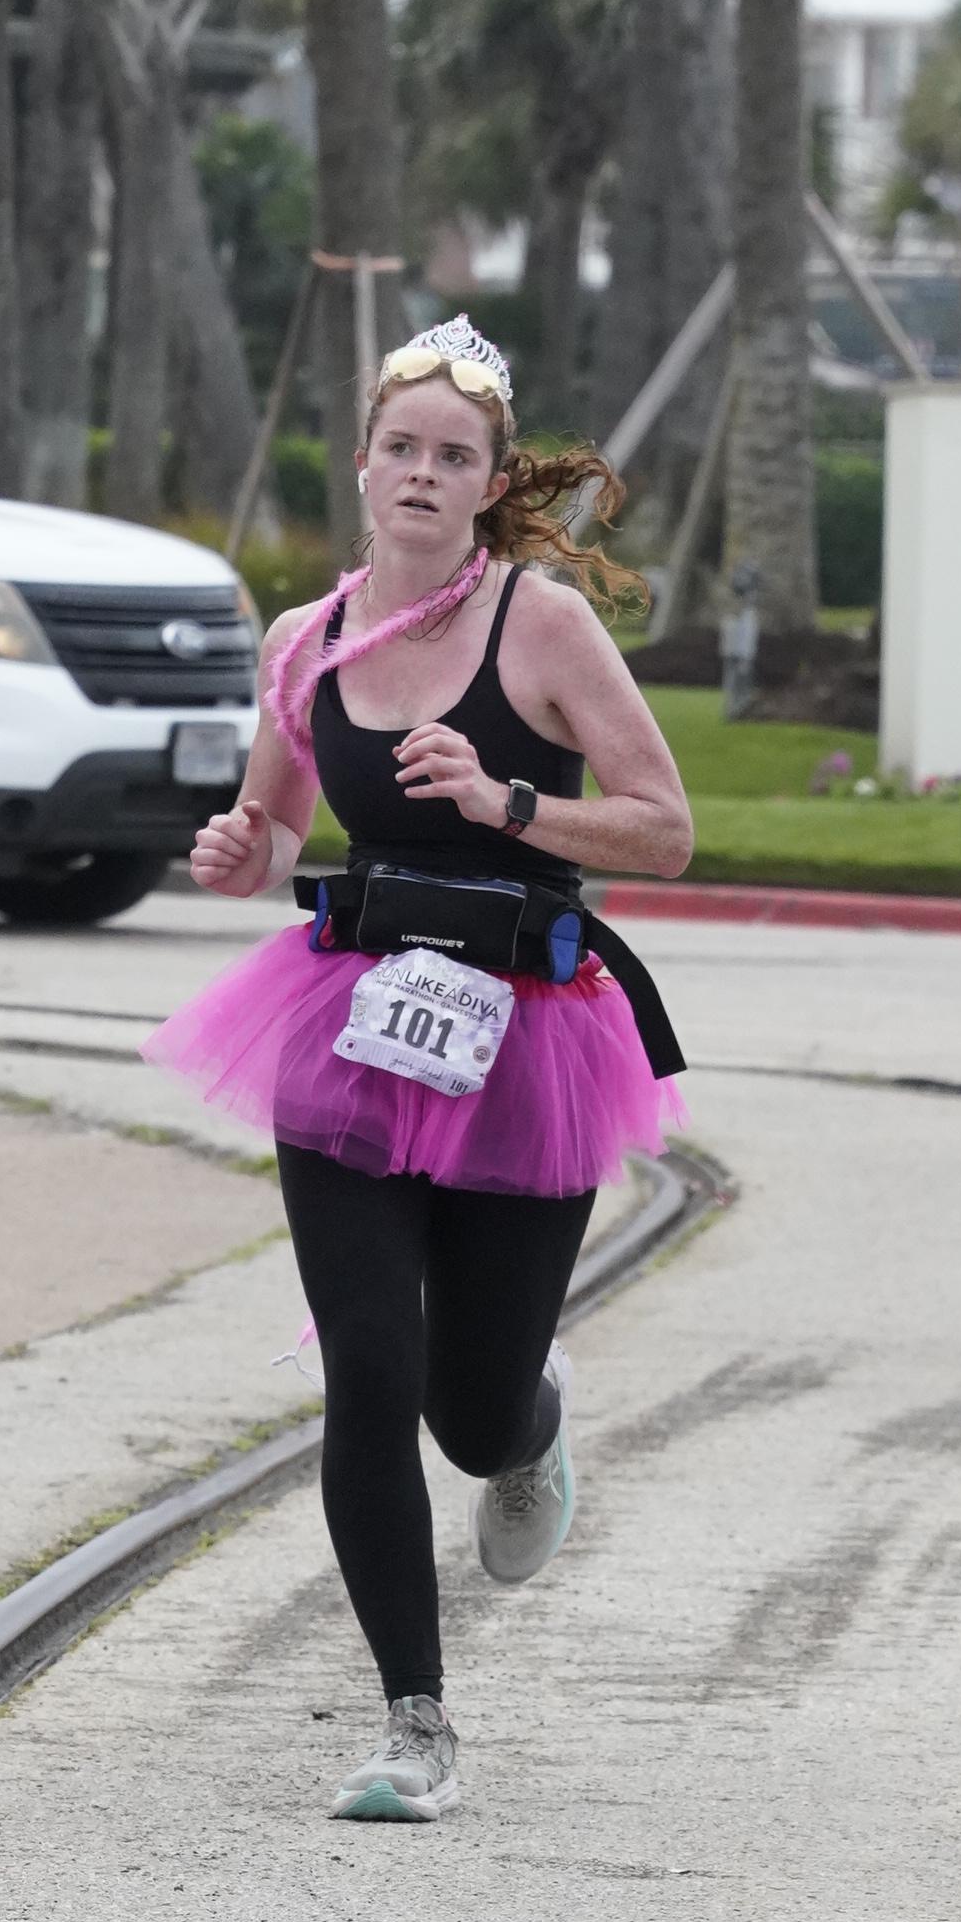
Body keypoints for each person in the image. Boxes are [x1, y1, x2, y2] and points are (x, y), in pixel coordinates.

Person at [152, 317, 692, 1825]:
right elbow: (272, 825)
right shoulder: (305, 637)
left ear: (490, 484)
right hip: (353, 1025)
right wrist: (239, 852)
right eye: (400, 447)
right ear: (363, 461)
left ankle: (529, 1422)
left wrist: (510, 801)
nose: (421, 474)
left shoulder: (541, 626)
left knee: (466, 1405)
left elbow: (663, 826)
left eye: (454, 456)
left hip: (529, 1030)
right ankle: (414, 1723)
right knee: (370, 1366)